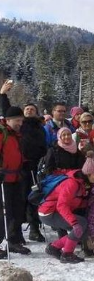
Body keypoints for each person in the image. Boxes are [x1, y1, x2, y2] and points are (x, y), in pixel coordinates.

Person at [0, 81, 47, 242]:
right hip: (14, 171)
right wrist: (3, 95)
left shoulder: (39, 128)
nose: (29, 111)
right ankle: (13, 236)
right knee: (13, 205)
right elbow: (8, 111)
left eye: (32, 109)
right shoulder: (14, 129)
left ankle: (29, 230)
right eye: (27, 109)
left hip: (32, 168)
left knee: (30, 200)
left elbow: (44, 146)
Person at [40, 154, 94, 264]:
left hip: (56, 211)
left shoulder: (82, 182)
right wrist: (74, 223)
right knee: (80, 224)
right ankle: (67, 254)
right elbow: (62, 205)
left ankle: (54, 247)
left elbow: (76, 201)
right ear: (88, 173)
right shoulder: (72, 183)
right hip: (48, 212)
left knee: (84, 230)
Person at [0, 106, 32, 256]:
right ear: (8, 120)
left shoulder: (16, 134)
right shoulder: (2, 133)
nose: (20, 123)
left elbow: (16, 153)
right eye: (17, 120)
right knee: (3, 213)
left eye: (21, 120)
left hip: (16, 177)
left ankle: (13, 241)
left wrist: (25, 163)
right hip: (3, 179)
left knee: (17, 211)